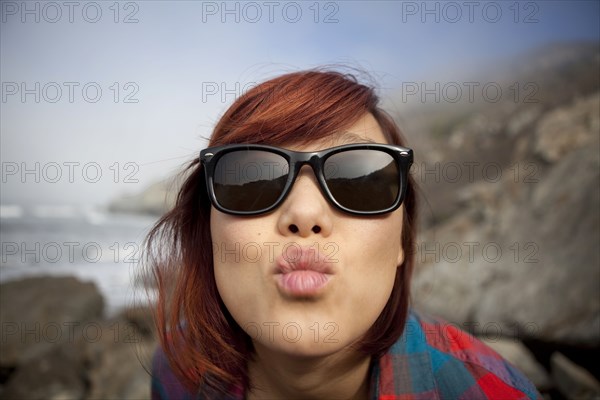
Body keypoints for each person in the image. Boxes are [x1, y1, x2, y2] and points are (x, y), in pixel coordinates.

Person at [147, 69, 541, 399]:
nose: (304, 214)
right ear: (209, 234)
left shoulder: (491, 391)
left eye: (358, 180)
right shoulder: (177, 370)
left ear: (402, 242)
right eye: (253, 178)